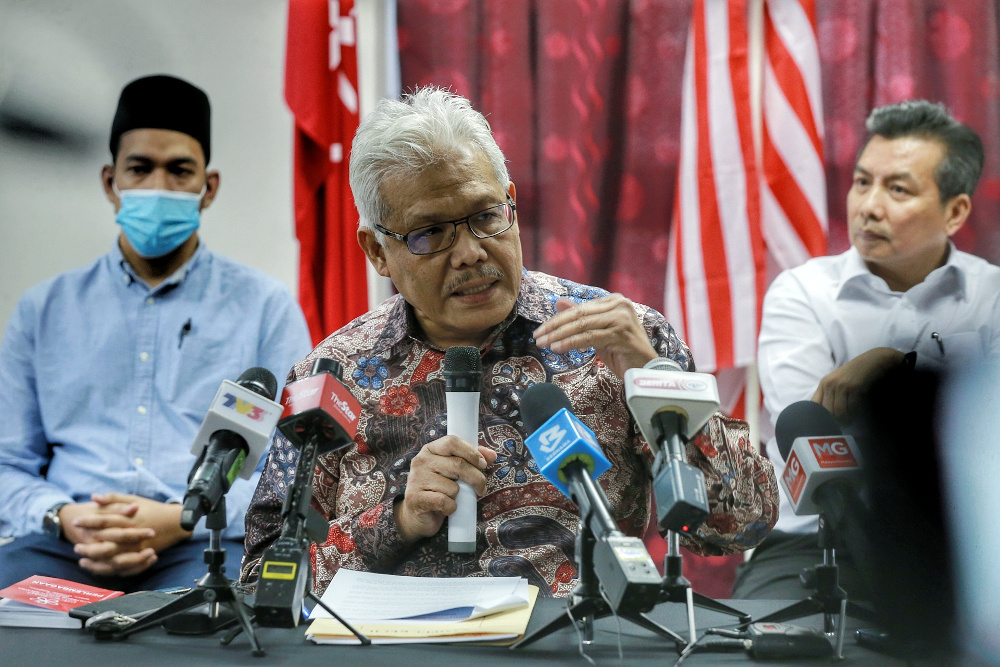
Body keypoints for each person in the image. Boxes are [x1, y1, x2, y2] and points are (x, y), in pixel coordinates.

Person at [241, 87, 778, 597]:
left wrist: (662, 386)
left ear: (511, 204)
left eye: (486, 216)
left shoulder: (620, 338)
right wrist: (398, 520)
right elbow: (263, 577)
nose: (471, 252)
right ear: (377, 252)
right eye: (430, 233)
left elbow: (742, 525)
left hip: (577, 642)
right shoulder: (332, 373)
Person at [0, 74, 311, 592]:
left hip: (202, 546)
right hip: (65, 541)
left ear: (207, 188)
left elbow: (290, 470)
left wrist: (181, 518)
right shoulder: (43, 311)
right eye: (140, 169)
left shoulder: (265, 309)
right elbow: (7, 463)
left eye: (179, 171)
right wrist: (63, 515)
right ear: (110, 182)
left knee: (219, 625)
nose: (158, 188)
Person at [733, 100, 1000, 600]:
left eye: (897, 189)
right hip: (815, 543)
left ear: (956, 211)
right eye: (862, 182)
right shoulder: (803, 293)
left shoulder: (993, 297)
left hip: (965, 548)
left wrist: (897, 367)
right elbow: (808, 433)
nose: (869, 206)